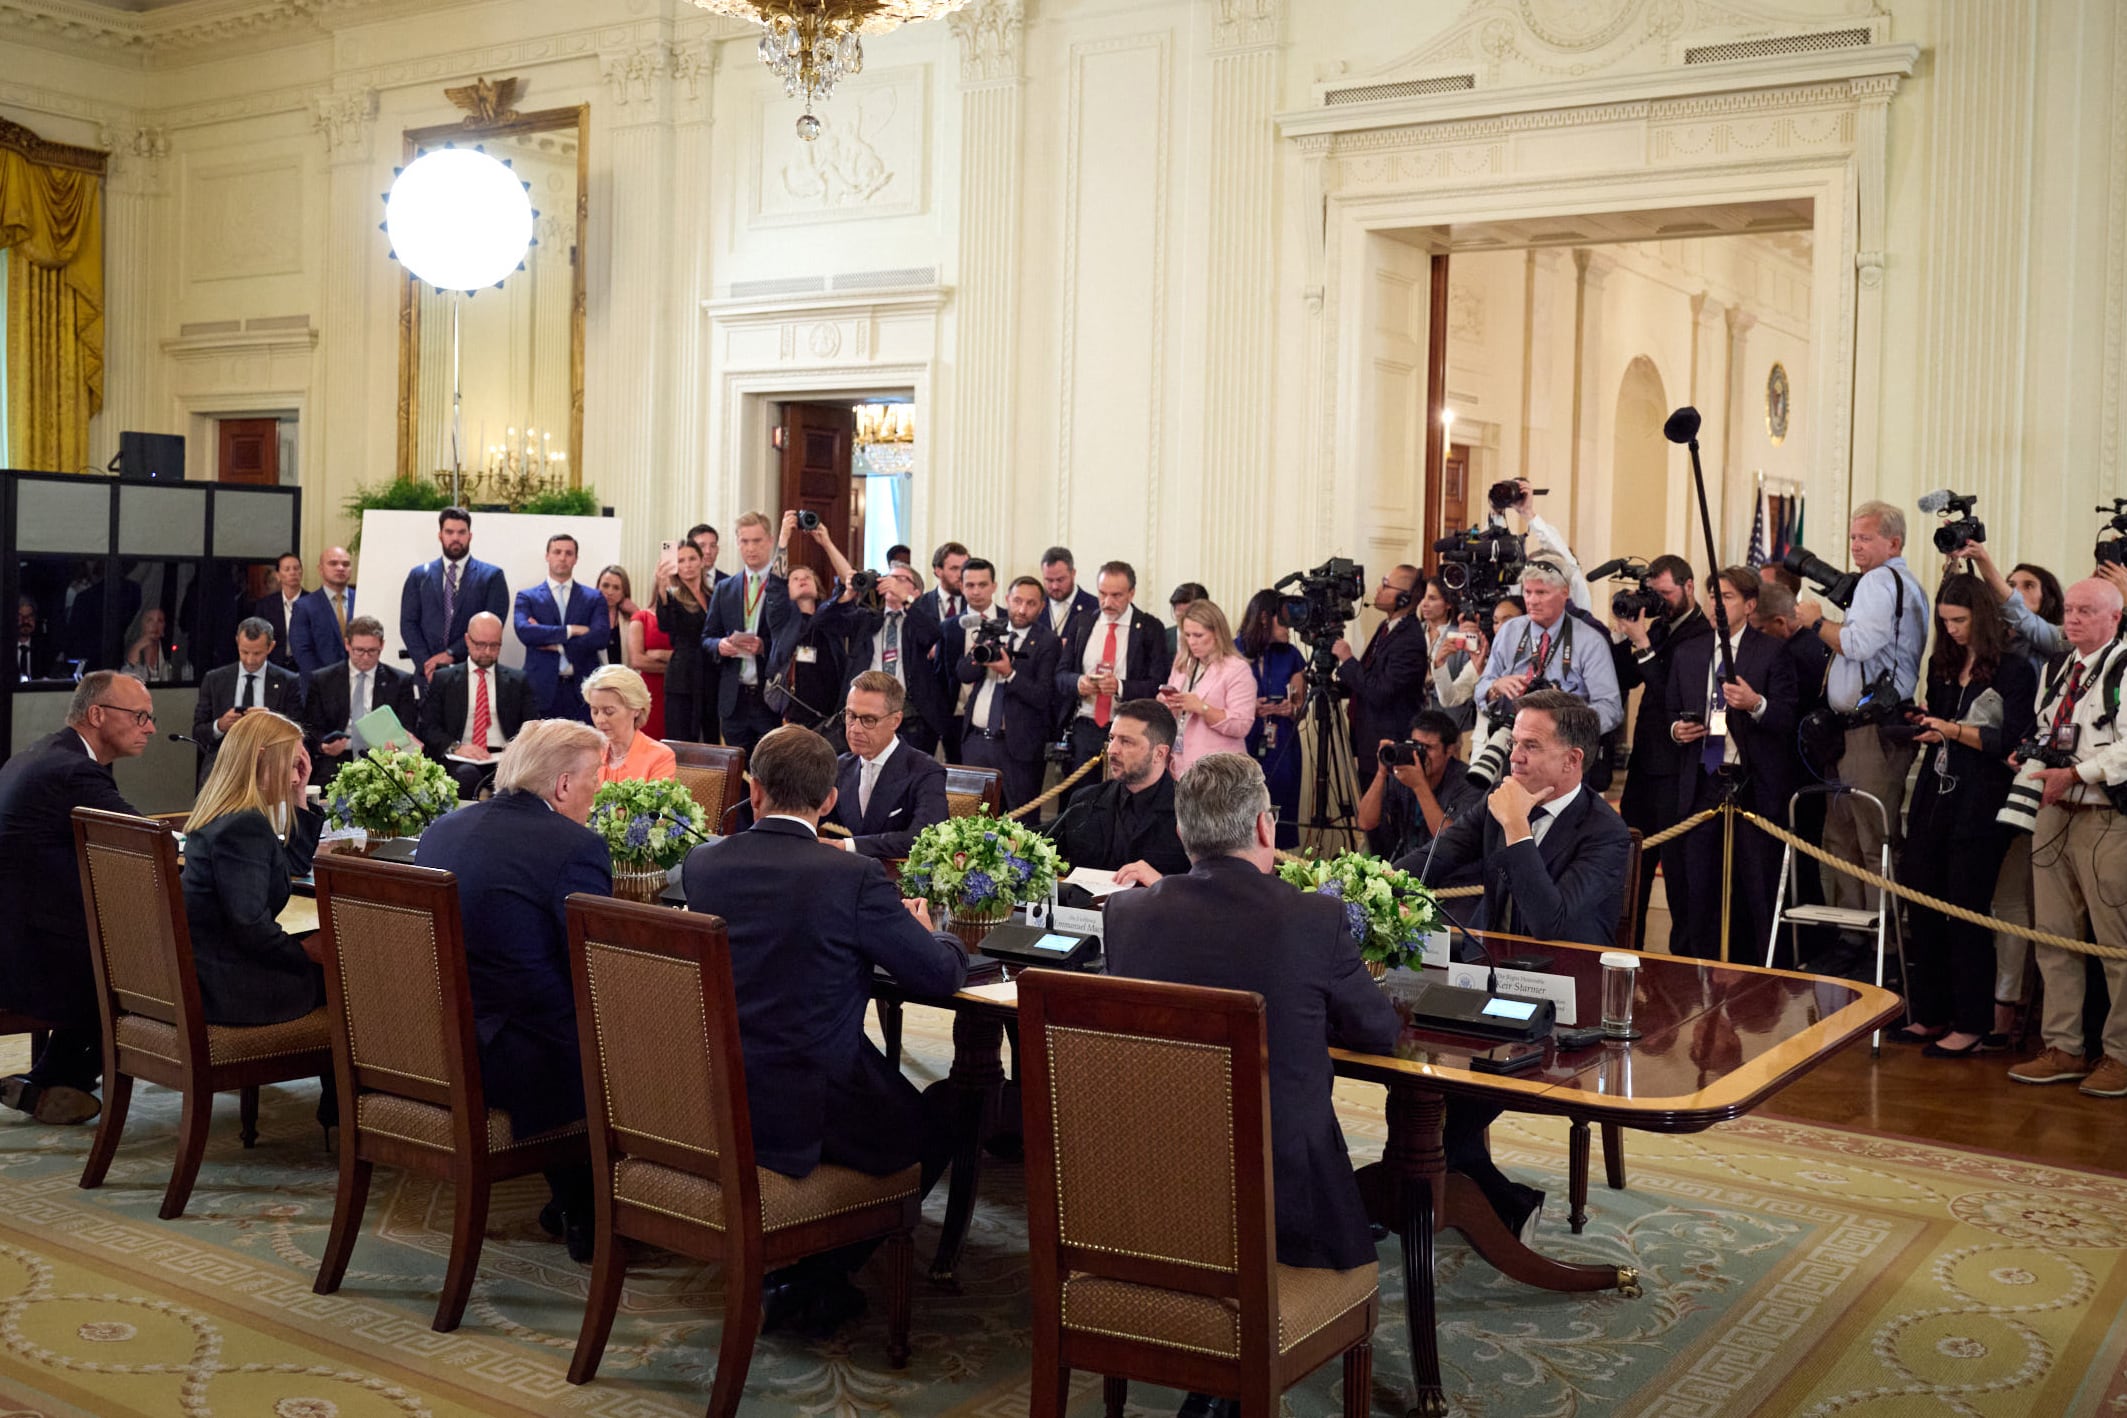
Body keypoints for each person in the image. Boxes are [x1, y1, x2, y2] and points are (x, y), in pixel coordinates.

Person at [679, 725, 967, 1333]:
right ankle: (817, 1276)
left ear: (753, 792)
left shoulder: (703, 863)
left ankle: (804, 1266)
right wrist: (931, 929)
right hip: (811, 1104)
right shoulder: (851, 877)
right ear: (830, 801)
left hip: (713, 1094)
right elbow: (937, 976)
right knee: (955, 1105)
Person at [1103, 752, 1397, 1282]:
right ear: (1266, 827)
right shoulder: (1314, 917)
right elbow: (1378, 1033)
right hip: (1283, 1202)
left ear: (1181, 830)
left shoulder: (1126, 914)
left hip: (1151, 1178)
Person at [413, 719, 612, 1260]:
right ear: (565, 785)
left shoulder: (443, 829)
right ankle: (598, 1208)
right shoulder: (574, 847)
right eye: (597, 776)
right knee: (634, 1035)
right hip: (512, 1058)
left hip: (429, 1042)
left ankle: (574, 1199)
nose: (601, 788)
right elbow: (588, 970)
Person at [1889, 575, 2037, 1055]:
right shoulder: (1943, 663)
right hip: (1937, 790)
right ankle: (1930, 1013)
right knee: (1921, 898)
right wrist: (1934, 731)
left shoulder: (2014, 670)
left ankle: (1971, 1020)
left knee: (1965, 908)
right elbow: (1945, 727)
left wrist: (1951, 729)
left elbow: (2011, 741)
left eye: (1960, 620)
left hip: (1983, 797)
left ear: (1982, 618)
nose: (1951, 629)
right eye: (1945, 621)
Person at [0, 672, 155, 1125]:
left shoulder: (44, 752)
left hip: (22, 929)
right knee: (136, 967)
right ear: (97, 715)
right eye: (140, 716)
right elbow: (148, 840)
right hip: (27, 954)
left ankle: (47, 1081)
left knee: (114, 944)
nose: (149, 727)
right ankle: (58, 1078)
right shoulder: (73, 771)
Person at [180, 711, 334, 1130]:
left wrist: (300, 794)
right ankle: (345, 1113)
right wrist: (304, 951)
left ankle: (338, 1108)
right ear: (263, 758)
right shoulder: (243, 827)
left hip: (210, 972)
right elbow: (251, 928)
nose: (299, 768)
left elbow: (290, 868)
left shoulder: (223, 815)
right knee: (353, 984)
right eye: (293, 760)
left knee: (335, 964)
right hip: (231, 989)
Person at [2005, 577, 2127, 1099]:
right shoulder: (2058, 668)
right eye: (2069, 610)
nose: (2072, 619)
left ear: (2114, 618)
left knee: (2115, 944)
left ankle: (2120, 1055)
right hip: (2054, 811)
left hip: (2104, 817)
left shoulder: (2123, 668)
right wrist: (2028, 753)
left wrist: (2078, 775)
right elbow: (2047, 728)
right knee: (2053, 936)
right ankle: (2063, 1046)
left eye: (2085, 611)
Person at [1405, 689, 1632, 944]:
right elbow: (1436, 855)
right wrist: (1370, 880)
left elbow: (1549, 923)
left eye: (1531, 746)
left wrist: (1516, 825)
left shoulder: (1607, 833)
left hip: (1562, 971)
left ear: (1571, 759)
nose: (1513, 756)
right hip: (1486, 957)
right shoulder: (1499, 796)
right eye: (1514, 743)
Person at [1793, 502, 1929, 925]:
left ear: (1894, 542)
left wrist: (1816, 622)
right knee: (1846, 839)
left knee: (1870, 842)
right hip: (1857, 731)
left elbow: (1858, 646)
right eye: (1853, 537)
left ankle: (1875, 943)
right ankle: (1860, 936)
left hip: (1870, 733)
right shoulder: (1901, 584)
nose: (1855, 545)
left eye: (1865, 537)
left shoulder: (1879, 582)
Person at [1662, 569, 1800, 962]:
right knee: (1700, 884)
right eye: (1711, 596)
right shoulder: (1689, 652)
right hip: (1703, 779)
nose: (1715, 605)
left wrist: (1756, 703)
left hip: (1752, 784)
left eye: (1726, 597)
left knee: (1756, 885)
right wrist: (1677, 729)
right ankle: (1701, 973)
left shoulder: (1771, 651)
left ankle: (1763, 974)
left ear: (1750, 605)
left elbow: (1788, 718)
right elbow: (1668, 711)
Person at [1610, 555, 1711, 948]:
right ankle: (1626, 952)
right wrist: (1624, 634)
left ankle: (1680, 959)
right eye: (1655, 595)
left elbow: (1671, 691)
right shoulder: (1660, 627)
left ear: (1688, 586)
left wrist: (1643, 643)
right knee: (1633, 865)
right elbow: (1624, 678)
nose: (1661, 602)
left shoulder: (1702, 633)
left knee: (1677, 869)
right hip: (1644, 766)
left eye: (1666, 594)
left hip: (1679, 769)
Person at [1049, 699, 1191, 884]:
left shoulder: (1191, 810)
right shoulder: (1085, 801)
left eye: (1126, 742)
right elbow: (1038, 844)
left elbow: (1214, 884)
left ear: (1159, 753)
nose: (1112, 750)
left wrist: (1161, 882)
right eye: (1111, 738)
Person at [1476, 564, 1625, 741]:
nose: (1532, 601)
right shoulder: (1509, 631)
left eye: (1541, 593)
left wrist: (1564, 722)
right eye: (1527, 592)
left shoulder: (1590, 641)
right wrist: (1495, 686)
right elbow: (1481, 687)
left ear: (1564, 592)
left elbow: (1611, 709)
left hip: (1565, 746)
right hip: (1513, 739)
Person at [817, 554, 948, 753]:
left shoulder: (917, 620)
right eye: (889, 577)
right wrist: (847, 594)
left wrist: (906, 600)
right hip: (865, 712)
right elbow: (824, 622)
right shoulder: (867, 619)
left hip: (910, 716)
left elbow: (932, 634)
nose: (892, 582)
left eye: (901, 579)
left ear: (916, 591)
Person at [1053, 561, 1169, 785]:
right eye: (1102, 594)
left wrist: (1120, 687)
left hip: (1128, 728)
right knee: (1079, 797)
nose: (1108, 602)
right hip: (1085, 726)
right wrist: (1078, 682)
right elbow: (1060, 675)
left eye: (1116, 595)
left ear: (1131, 593)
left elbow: (1157, 683)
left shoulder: (1149, 628)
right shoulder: (1082, 622)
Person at [954, 575, 1058, 810]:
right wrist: (978, 656)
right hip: (976, 740)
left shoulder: (1046, 641)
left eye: (1031, 604)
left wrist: (1010, 673)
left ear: (1042, 607)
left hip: (1017, 747)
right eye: (1017, 601)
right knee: (970, 818)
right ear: (1007, 599)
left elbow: (1043, 696)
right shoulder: (991, 629)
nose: (1022, 609)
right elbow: (963, 674)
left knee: (1020, 822)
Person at [825, 672, 948, 858]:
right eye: (851, 716)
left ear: (895, 721)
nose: (855, 729)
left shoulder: (925, 771)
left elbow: (924, 838)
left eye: (868, 720)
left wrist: (845, 846)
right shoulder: (840, 766)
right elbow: (810, 815)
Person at [1330, 563, 1431, 790]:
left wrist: (1347, 660)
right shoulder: (1387, 627)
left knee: (1383, 819)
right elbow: (1369, 677)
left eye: (1386, 585)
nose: (1378, 589)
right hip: (1369, 741)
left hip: (1390, 745)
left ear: (1404, 598)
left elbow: (1381, 691)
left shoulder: (1409, 639)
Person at [417, 612, 534, 798]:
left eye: (494, 645)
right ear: (467, 640)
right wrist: (456, 747)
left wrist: (516, 748)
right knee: (466, 776)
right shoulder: (444, 679)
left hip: (504, 756)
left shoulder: (518, 681)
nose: (487, 652)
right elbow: (428, 727)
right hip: (461, 756)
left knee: (517, 781)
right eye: (480, 645)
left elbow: (531, 726)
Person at [1356, 708, 1486, 865]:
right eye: (1416, 745)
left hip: (1451, 873)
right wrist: (1382, 772)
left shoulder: (1469, 782)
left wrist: (1419, 786)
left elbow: (1453, 842)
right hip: (1409, 866)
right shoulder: (1404, 773)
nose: (1420, 754)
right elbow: (1365, 822)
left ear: (1449, 751)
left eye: (1428, 748)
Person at [303, 615, 418, 784]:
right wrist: (324, 746)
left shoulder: (400, 681)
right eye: (359, 650)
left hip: (383, 759)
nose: (365, 657)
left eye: (372, 651)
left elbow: (408, 725)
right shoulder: (323, 680)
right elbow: (310, 727)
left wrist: (396, 744)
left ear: (382, 645)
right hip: (338, 758)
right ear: (347, 644)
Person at [400, 506, 510, 683]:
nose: (455, 538)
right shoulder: (418, 576)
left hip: (473, 672)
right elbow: (408, 624)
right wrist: (427, 664)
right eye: (449, 532)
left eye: (461, 532)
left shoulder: (491, 576)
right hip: (427, 674)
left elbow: (493, 627)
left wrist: (451, 654)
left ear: (470, 536)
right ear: (440, 535)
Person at [702, 511, 781, 753]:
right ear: (737, 543)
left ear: (769, 541)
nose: (750, 548)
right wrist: (720, 645)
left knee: (770, 769)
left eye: (757, 541)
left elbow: (791, 638)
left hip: (768, 696)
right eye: (744, 542)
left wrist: (763, 646)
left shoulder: (782, 586)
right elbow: (707, 637)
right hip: (733, 698)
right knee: (736, 773)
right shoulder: (725, 588)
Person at [192, 617, 303, 785]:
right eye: (244, 652)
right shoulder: (215, 680)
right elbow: (198, 732)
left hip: (270, 765)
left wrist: (269, 722)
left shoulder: (288, 682)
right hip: (223, 765)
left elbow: (297, 731)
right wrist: (220, 725)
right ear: (237, 642)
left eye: (257, 653)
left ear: (271, 646)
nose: (250, 659)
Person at [764, 514, 849, 730]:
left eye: (808, 577)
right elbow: (775, 584)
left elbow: (850, 582)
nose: (802, 579)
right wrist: (784, 536)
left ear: (816, 586)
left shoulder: (830, 615)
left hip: (833, 715)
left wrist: (826, 542)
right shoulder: (782, 618)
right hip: (795, 714)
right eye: (795, 578)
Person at [513, 533, 610, 721]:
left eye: (568, 553)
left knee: (584, 749)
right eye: (557, 552)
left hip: (583, 690)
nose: (563, 557)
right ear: (547, 556)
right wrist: (571, 630)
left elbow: (600, 637)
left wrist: (558, 645)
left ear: (576, 559)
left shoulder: (594, 598)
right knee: (541, 749)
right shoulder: (527, 597)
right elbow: (526, 633)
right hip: (541, 689)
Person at [1237, 589, 1305, 849]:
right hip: (1245, 738)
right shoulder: (1235, 650)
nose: (1290, 627)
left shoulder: (1291, 655)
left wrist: (1292, 708)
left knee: (1280, 809)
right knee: (1243, 807)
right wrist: (1247, 706)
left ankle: (1278, 871)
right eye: (1284, 619)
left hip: (1283, 742)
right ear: (1265, 618)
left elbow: (1301, 706)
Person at [1159, 598, 1254, 778]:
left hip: (1218, 769)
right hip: (1178, 763)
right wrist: (1165, 703)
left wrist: (1201, 708)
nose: (1192, 642)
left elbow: (1241, 725)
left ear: (1217, 633)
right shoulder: (1182, 662)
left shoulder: (1236, 669)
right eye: (1187, 635)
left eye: (1198, 635)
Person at [654, 539, 713, 744]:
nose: (687, 565)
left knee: (711, 735)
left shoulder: (713, 594)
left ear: (702, 561)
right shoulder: (672, 597)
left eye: (692, 559)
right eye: (681, 560)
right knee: (681, 737)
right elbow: (665, 624)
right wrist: (661, 589)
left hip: (712, 674)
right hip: (683, 675)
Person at [582, 663, 678, 784]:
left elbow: (656, 802)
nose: (600, 720)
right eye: (595, 711)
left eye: (609, 712)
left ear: (636, 709)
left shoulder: (660, 757)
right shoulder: (588, 753)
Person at [685, 523, 727, 744]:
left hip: (718, 669)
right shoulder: (678, 582)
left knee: (714, 734)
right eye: (703, 546)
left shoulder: (728, 582)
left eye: (713, 545)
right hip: (688, 669)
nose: (708, 551)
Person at [290, 546, 357, 677]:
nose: (340, 568)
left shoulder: (363, 600)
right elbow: (302, 652)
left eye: (346, 564)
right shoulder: (303, 606)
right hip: (319, 685)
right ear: (320, 569)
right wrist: (325, 681)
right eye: (333, 563)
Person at [619, 569, 669, 741]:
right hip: (650, 691)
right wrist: (676, 664)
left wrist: (660, 654)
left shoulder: (688, 619)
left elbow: (693, 657)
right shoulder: (642, 617)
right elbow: (638, 660)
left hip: (681, 689)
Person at [253, 552, 306, 674]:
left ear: (301, 572)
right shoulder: (265, 605)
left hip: (305, 667)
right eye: (287, 569)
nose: (292, 572)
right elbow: (259, 638)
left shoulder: (314, 602)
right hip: (275, 666)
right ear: (278, 575)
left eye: (296, 568)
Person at [1040, 545, 1099, 643]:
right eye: (1049, 580)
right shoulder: (1034, 605)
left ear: (1073, 573)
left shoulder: (1094, 606)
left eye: (1060, 580)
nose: (1055, 586)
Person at [593, 564, 638, 669]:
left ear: (624, 592)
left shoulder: (629, 620)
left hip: (624, 681)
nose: (610, 592)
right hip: (596, 681)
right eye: (605, 586)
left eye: (616, 588)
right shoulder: (587, 616)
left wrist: (636, 612)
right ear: (598, 587)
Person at [122, 605, 181, 684]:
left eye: (159, 621)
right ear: (142, 625)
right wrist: (136, 648)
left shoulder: (171, 652)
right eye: (150, 620)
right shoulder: (133, 649)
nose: (155, 625)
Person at [1164, 581, 1208, 660]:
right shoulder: (1162, 638)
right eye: (1176, 610)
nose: (1179, 615)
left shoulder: (1212, 639)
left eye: (1187, 612)